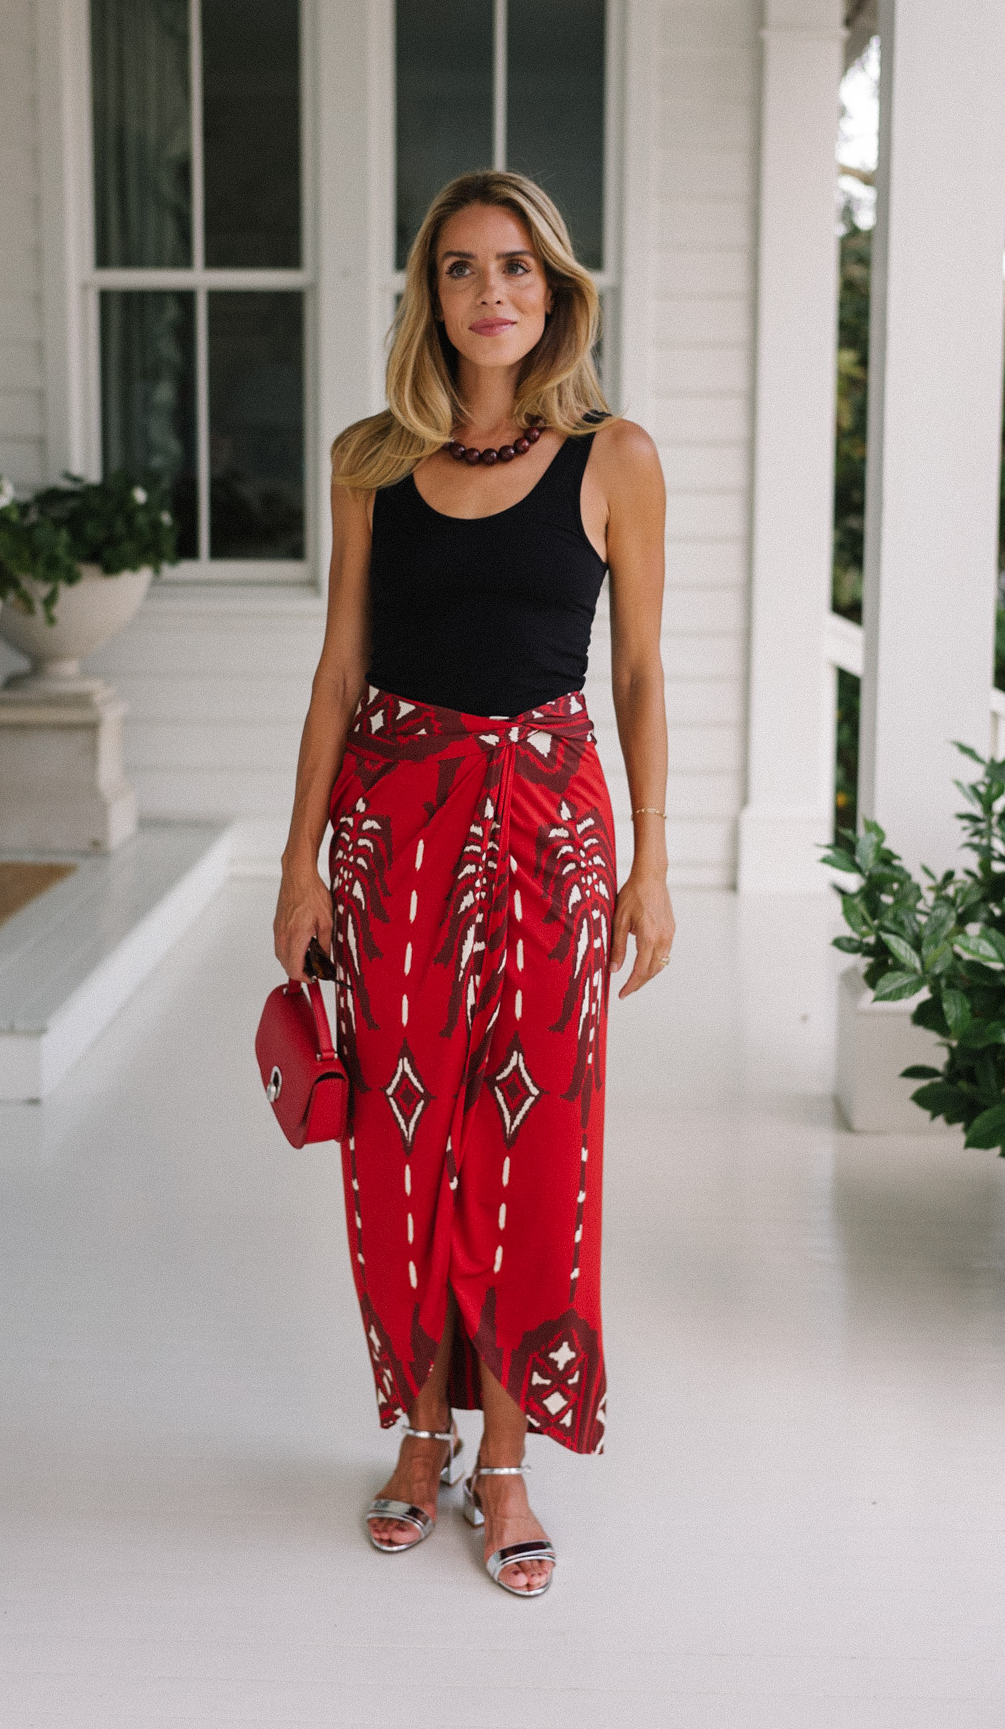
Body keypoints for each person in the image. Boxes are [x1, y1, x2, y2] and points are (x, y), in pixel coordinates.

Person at [273, 168, 674, 1598]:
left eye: (516, 266)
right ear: (427, 293)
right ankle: (420, 1432)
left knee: (535, 1149)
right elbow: (337, 671)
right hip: (392, 834)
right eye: (459, 267)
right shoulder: (370, 457)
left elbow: (635, 672)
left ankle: (505, 1460)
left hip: (553, 837)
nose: (490, 290)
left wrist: (654, 861)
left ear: (555, 291)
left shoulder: (612, 456)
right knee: (401, 1144)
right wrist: (300, 856)